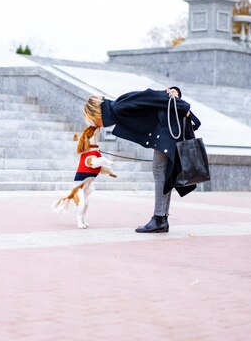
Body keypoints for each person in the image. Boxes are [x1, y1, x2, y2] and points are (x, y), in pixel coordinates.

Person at [82, 87, 201, 233]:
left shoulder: (119, 106)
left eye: (93, 120)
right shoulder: (118, 110)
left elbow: (149, 95)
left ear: (96, 113)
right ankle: (162, 218)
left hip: (167, 126)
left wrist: (183, 107)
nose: (95, 124)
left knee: (159, 171)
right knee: (165, 172)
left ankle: (159, 219)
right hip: (166, 127)